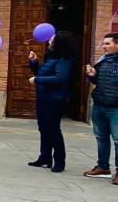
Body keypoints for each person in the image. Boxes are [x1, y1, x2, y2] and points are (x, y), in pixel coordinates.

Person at [28, 30, 78, 173]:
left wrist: (37, 80)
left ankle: (59, 161)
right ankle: (44, 157)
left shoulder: (64, 59)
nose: (49, 41)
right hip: (43, 97)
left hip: (55, 99)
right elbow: (41, 73)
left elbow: (60, 78)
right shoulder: (50, 56)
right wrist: (33, 62)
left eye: (52, 39)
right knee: (43, 128)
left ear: (59, 43)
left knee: (53, 130)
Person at [84, 33, 118, 184]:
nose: (104, 46)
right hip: (99, 105)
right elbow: (99, 81)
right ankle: (103, 167)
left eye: (107, 44)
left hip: (115, 108)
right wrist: (92, 75)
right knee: (101, 138)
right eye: (104, 43)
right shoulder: (102, 61)